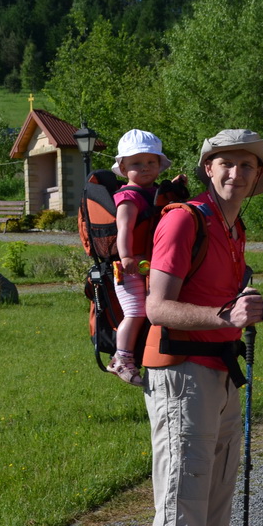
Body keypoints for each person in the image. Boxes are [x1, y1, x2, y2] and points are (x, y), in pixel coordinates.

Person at [142, 129, 263, 526]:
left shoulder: (233, 227)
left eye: (246, 165)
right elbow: (156, 307)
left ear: (258, 177)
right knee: (181, 515)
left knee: (211, 512)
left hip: (221, 375)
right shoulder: (185, 219)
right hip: (182, 376)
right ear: (208, 169)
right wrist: (225, 317)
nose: (236, 172)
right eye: (226, 163)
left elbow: (233, 308)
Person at [106, 129, 173, 387]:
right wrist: (126, 256)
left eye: (151, 162)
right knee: (134, 312)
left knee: (151, 310)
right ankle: (120, 359)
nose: (145, 168)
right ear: (123, 167)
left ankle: (143, 353)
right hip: (129, 268)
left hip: (149, 267)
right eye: (136, 164)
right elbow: (124, 229)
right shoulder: (128, 197)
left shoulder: (154, 192)